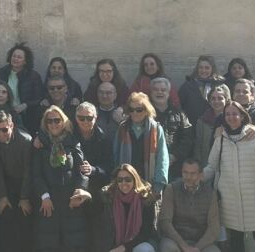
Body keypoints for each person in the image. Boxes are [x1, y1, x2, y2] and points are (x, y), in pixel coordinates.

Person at [203, 101, 255, 252]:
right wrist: (196, 178)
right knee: (236, 243)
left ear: (243, 116)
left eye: (235, 113)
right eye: (227, 114)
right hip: (230, 201)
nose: (231, 117)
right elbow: (211, 166)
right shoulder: (220, 140)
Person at [29, 105, 90, 252]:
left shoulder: (73, 141)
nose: (53, 124)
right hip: (49, 201)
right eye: (49, 121)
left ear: (64, 122)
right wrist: (44, 196)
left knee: (73, 244)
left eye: (57, 120)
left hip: (71, 200)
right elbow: (36, 175)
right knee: (49, 244)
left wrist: (79, 193)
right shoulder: (40, 144)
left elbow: (82, 171)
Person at [0, 110, 34, 252]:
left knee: (24, 220)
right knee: (5, 219)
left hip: (25, 183)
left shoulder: (25, 141)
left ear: (11, 125)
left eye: (4, 129)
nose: (0, 134)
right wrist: (3, 196)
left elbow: (28, 171)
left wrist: (24, 197)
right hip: (6, 184)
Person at [74, 102, 114, 252]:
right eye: (81, 118)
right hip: (73, 190)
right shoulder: (69, 136)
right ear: (76, 118)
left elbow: (110, 168)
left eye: (89, 118)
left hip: (96, 193)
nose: (85, 121)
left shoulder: (105, 138)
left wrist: (94, 170)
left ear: (95, 118)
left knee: (95, 234)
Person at [158, 159, 221, 252]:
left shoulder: (211, 194)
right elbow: (165, 222)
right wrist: (184, 246)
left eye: (192, 173)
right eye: (185, 172)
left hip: (200, 242)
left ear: (201, 174)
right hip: (175, 240)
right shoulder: (171, 189)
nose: (188, 177)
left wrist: (197, 248)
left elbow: (214, 228)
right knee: (168, 248)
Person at [113, 92, 170, 193]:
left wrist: (158, 185)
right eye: (131, 110)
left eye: (139, 110)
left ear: (146, 110)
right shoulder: (123, 128)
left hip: (149, 182)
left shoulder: (156, 129)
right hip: (125, 183)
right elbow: (115, 155)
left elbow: (162, 158)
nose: (134, 113)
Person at [96, 164, 158, 252]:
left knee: (145, 249)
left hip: (139, 242)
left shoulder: (146, 199)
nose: (124, 183)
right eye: (120, 180)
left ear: (135, 180)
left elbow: (145, 232)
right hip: (114, 244)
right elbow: (102, 229)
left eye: (128, 180)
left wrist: (125, 247)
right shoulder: (108, 198)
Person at [0, 43, 44, 132]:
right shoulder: (3, 72)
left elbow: (39, 98)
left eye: (19, 57)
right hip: (5, 113)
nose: (15, 59)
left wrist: (25, 105)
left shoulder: (33, 76)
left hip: (26, 115)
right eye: (14, 56)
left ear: (25, 61)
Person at [150, 77, 193, 180]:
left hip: (175, 167)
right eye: (156, 89)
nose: (159, 92)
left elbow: (188, 138)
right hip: (151, 167)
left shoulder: (179, 113)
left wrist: (174, 156)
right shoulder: (144, 114)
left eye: (163, 90)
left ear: (169, 93)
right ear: (151, 93)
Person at [192, 84, 231, 166]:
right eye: (213, 98)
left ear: (227, 100)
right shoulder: (202, 121)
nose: (216, 101)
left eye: (220, 98)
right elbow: (198, 146)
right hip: (207, 165)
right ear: (209, 101)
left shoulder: (232, 120)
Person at [178, 56, 225, 123]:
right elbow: (179, 107)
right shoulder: (187, 86)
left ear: (212, 69)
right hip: (192, 126)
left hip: (215, 125)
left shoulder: (221, 86)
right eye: (201, 67)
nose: (203, 70)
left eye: (207, 68)